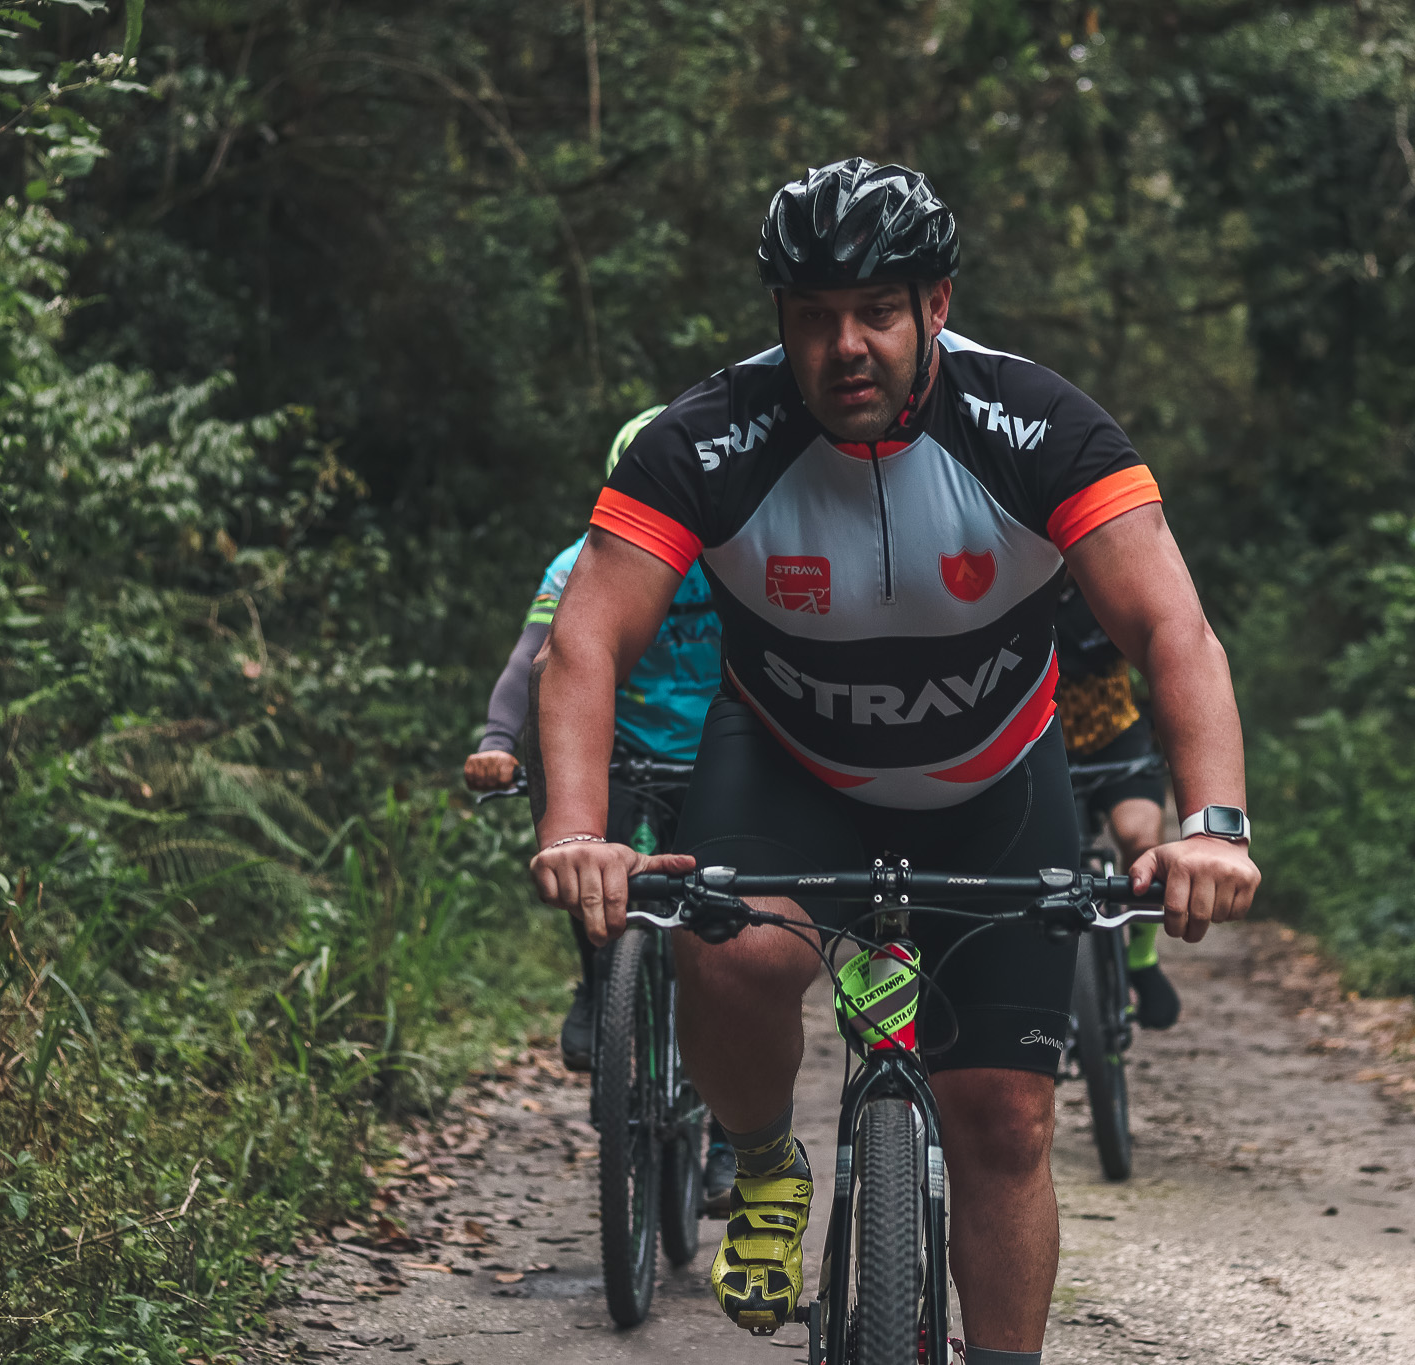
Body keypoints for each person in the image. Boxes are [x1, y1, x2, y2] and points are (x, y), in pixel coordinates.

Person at [526, 159, 1260, 1364]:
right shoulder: (703, 436)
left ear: (937, 304)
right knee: (728, 954)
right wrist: (574, 827)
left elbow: (1169, 628)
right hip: (785, 766)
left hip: (995, 780)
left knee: (1004, 1121)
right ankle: (762, 1158)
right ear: (780, 322)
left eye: (875, 311)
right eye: (812, 318)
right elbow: (587, 636)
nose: (844, 346)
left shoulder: (1041, 426)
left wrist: (1212, 823)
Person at [463, 406, 740, 1212]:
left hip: (717, 752)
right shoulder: (580, 562)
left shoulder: (729, 558)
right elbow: (532, 660)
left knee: (724, 940)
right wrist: (496, 737)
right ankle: (597, 978)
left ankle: (731, 1135)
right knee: (566, 802)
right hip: (624, 751)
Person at [1055, 580, 1179, 1027]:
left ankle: (1142, 957)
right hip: (1042, 744)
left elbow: (1165, 654)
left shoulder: (1107, 579)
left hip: (1116, 737)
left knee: (1141, 838)